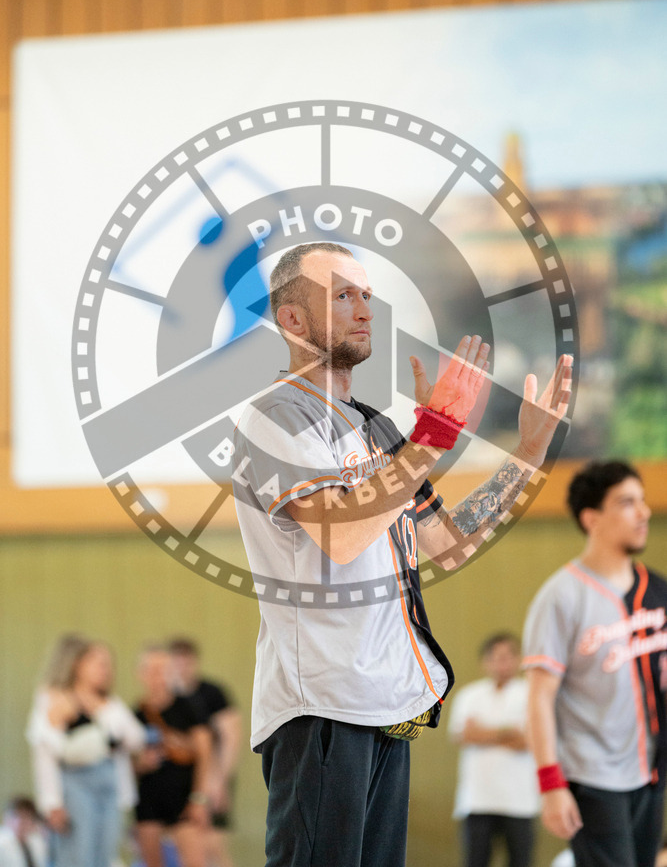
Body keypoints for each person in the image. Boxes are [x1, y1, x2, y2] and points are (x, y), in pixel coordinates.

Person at [230, 241, 572, 867]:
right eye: (343, 295)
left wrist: (527, 453)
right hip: (322, 704)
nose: (365, 309)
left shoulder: (379, 429)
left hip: (384, 700)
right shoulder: (275, 415)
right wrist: (432, 437)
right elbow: (340, 533)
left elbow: (448, 544)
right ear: (293, 320)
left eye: (366, 295)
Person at [523, 460, 667, 867]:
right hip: (592, 778)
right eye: (627, 502)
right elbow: (538, 699)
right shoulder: (561, 596)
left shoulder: (657, 590)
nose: (644, 512)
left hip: (650, 773)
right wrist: (551, 784)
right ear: (592, 519)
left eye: (642, 500)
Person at [27, 635, 145, 867]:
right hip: (75, 784)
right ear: (77, 664)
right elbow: (45, 752)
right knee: (77, 856)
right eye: (99, 664)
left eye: (109, 665)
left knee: (104, 856)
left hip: (109, 784)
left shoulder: (109, 702)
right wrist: (51, 803)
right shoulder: (54, 697)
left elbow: (136, 738)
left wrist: (97, 707)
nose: (106, 671)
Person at [449, 632, 539, 867]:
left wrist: (484, 732)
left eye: (508, 656)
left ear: (518, 659)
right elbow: (465, 735)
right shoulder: (469, 695)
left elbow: (528, 741)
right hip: (477, 799)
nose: (502, 663)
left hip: (520, 800)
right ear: (485, 661)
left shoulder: (532, 694)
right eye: (496, 657)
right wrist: (509, 731)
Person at [133, 645, 211, 867]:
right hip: (149, 799)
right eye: (152, 670)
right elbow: (127, 762)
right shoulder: (136, 714)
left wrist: (199, 798)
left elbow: (205, 753)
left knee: (195, 860)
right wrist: (141, 764)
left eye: (163, 669)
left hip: (184, 797)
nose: (157, 676)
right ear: (141, 674)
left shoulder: (188, 708)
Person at [169, 638, 241, 867]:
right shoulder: (168, 698)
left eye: (186, 662)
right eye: (177, 662)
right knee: (185, 846)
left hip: (211, 776)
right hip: (183, 781)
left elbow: (231, 736)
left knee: (213, 845)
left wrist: (221, 780)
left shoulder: (211, 694)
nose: (182, 668)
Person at [0, 797, 47, 867]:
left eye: (26, 817)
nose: (20, 822)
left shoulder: (36, 841)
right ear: (5, 817)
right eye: (16, 816)